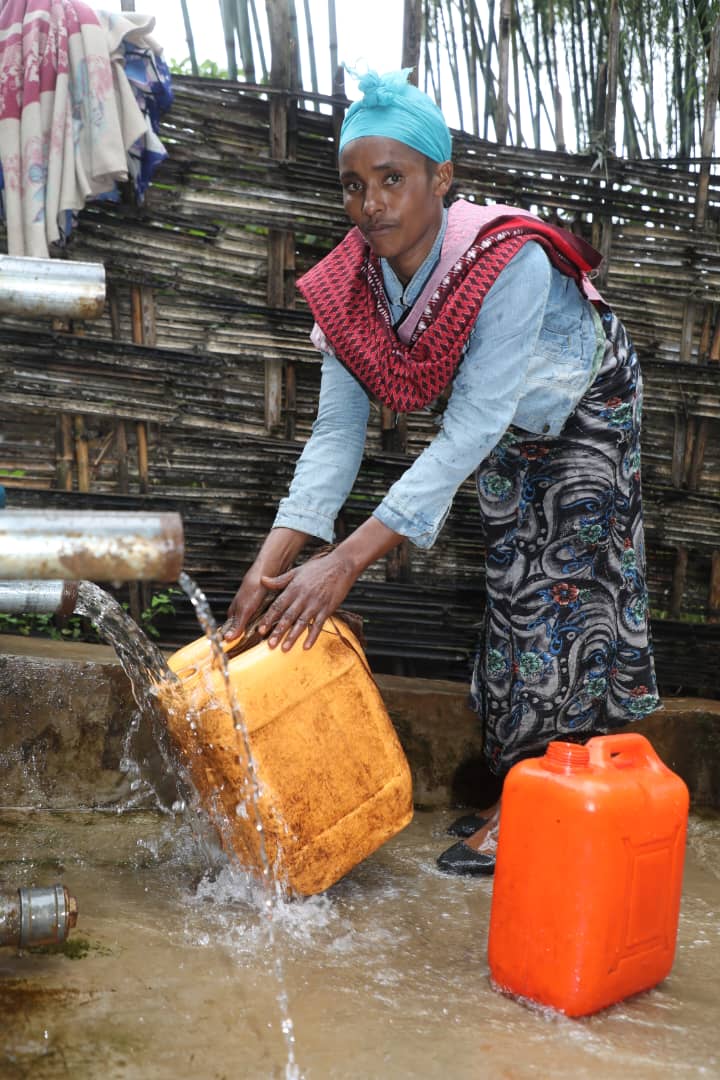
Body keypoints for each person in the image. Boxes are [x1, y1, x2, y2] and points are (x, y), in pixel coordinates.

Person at [224, 68, 661, 876]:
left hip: (584, 402)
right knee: (510, 587)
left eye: (394, 179)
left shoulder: (508, 259)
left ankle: (537, 806)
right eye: (355, 186)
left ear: (441, 179)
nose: (372, 204)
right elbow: (333, 438)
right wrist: (270, 566)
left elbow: (467, 427)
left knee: (559, 595)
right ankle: (528, 786)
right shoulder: (350, 287)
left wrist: (345, 562)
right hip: (500, 421)